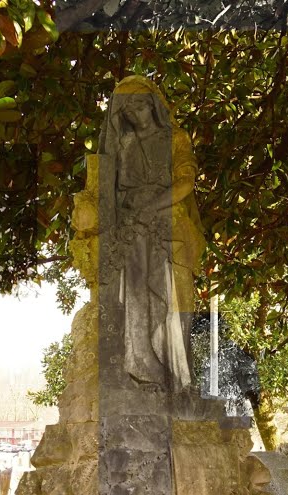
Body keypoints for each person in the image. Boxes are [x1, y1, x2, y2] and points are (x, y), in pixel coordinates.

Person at [98, 76, 205, 390]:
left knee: (176, 302)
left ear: (154, 105)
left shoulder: (176, 139)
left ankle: (179, 379)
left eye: (140, 106)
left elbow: (185, 183)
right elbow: (110, 192)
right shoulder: (124, 145)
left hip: (171, 229)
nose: (136, 114)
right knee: (135, 296)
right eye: (128, 110)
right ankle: (143, 368)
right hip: (133, 231)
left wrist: (152, 207)